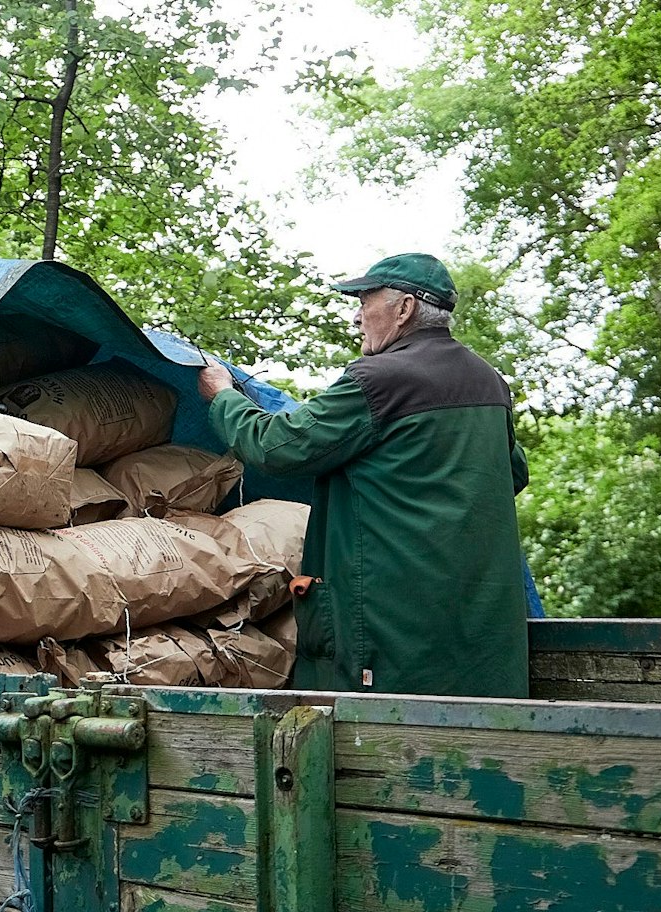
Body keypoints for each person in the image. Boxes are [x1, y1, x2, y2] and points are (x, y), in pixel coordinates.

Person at [198, 252, 530, 697]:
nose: (357, 318)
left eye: (364, 302)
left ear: (405, 308)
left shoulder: (378, 379)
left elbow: (277, 447)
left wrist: (223, 396)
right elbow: (512, 472)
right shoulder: (489, 382)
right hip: (478, 628)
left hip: (391, 626)